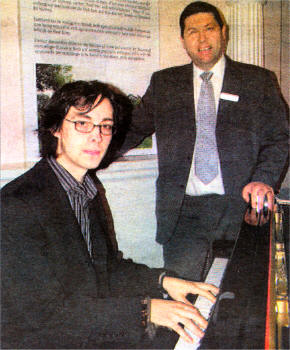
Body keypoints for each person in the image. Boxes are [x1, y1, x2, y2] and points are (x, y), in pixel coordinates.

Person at [1, 80, 219, 349]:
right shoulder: (17, 204)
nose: (97, 136)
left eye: (105, 125)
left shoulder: (86, 189)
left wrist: (163, 280)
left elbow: (107, 268)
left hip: (86, 328)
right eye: (82, 123)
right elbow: (43, 313)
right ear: (56, 128)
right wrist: (145, 310)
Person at [119, 1, 289, 281]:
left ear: (223, 32)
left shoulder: (257, 81)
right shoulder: (165, 83)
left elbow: (279, 136)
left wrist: (264, 178)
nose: (202, 38)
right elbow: (134, 129)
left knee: (239, 296)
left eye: (209, 29)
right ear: (183, 40)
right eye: (192, 31)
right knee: (184, 296)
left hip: (240, 209)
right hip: (184, 213)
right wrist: (87, 152)